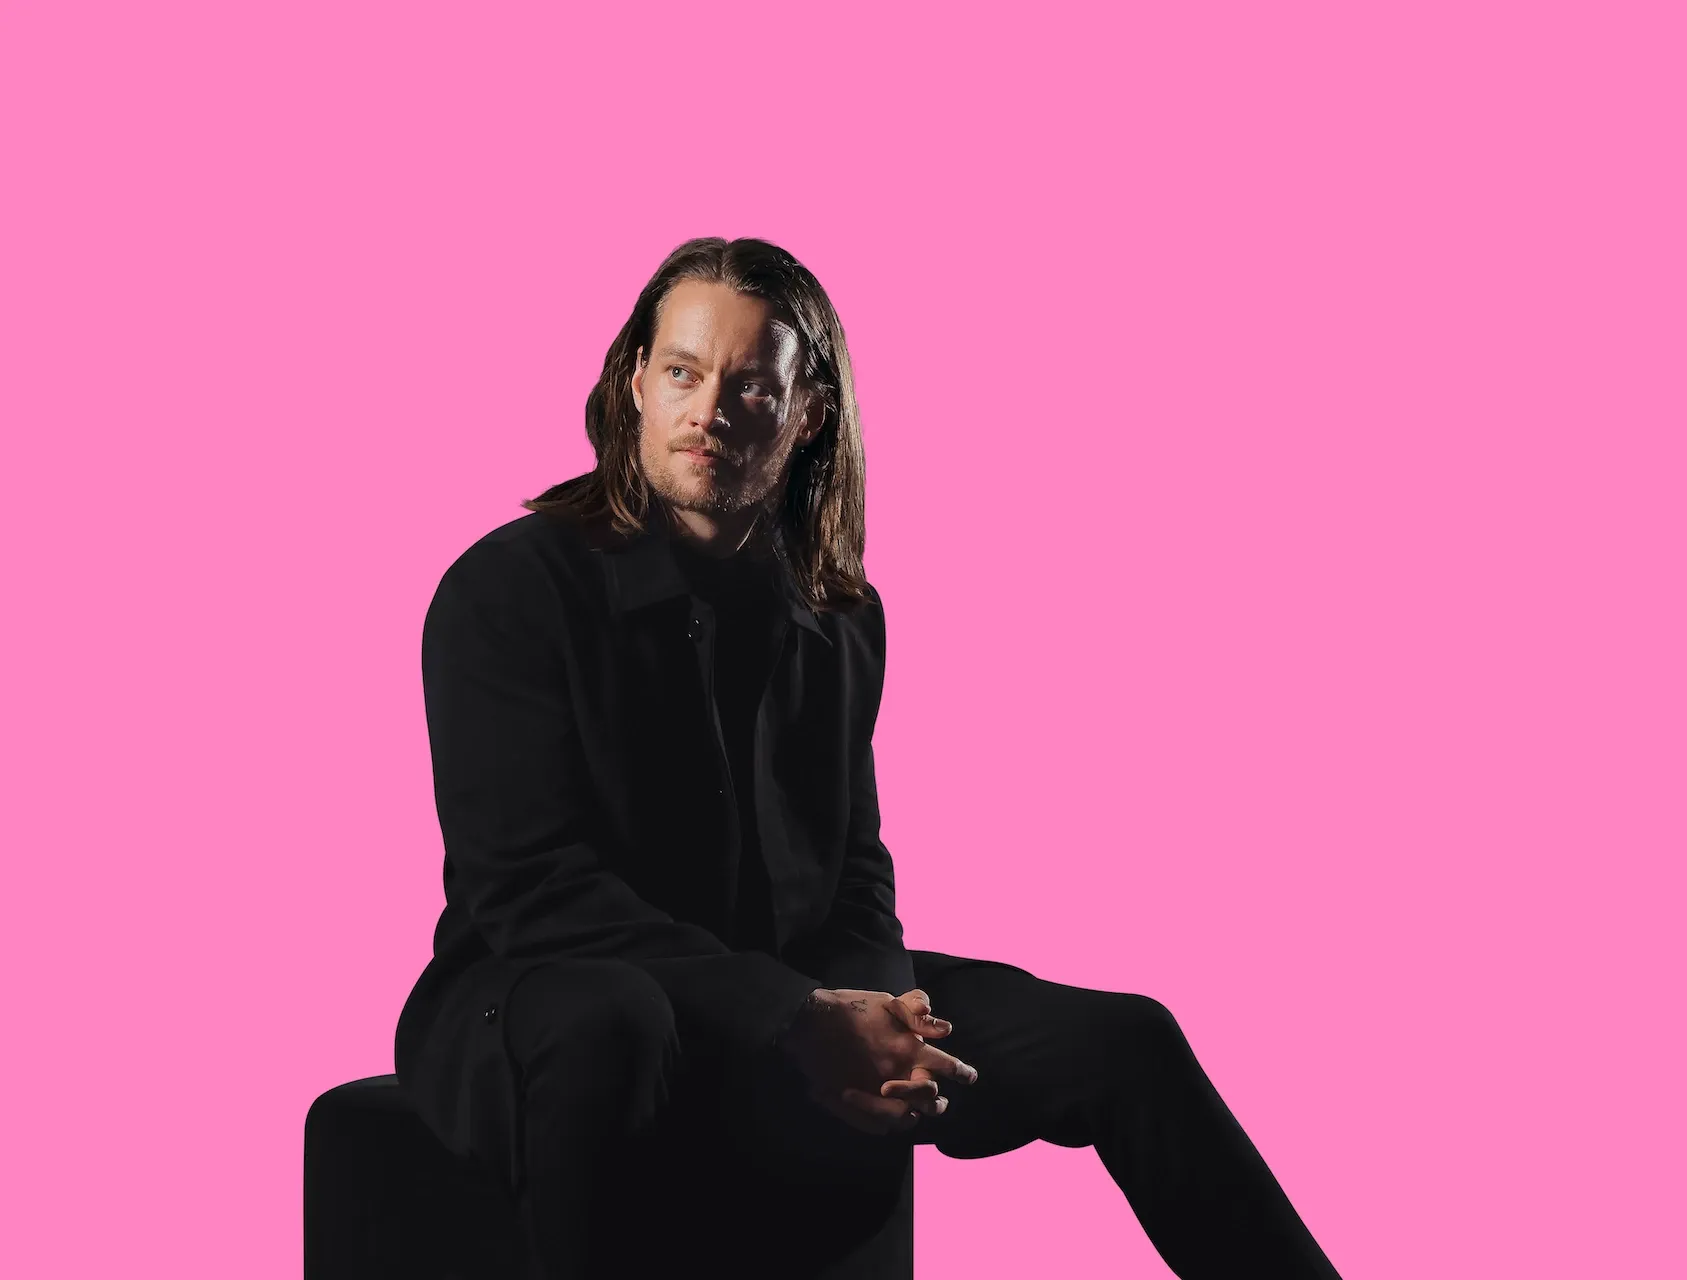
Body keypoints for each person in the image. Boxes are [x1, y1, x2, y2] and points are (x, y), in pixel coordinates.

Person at [392, 235, 1344, 1279]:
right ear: (635, 384)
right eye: (682, 373)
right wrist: (795, 1015)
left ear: (808, 414)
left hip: (792, 981)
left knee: (1125, 1039)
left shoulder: (840, 614)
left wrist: (880, 1015)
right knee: (615, 1019)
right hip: (543, 990)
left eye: (752, 386)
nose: (710, 411)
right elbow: (532, 890)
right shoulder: (508, 589)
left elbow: (852, 871)